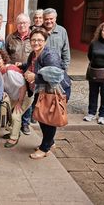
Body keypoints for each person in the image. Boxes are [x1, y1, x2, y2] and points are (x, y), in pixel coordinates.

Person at [23, 27, 71, 159]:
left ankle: (45, 148)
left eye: (39, 40)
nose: (36, 43)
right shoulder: (33, 54)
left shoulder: (49, 55)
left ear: (45, 41)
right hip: (43, 90)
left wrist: (35, 77)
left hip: (56, 91)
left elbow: (55, 76)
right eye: (33, 40)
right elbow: (30, 66)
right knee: (41, 116)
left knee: (48, 120)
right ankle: (50, 142)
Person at [0, 49, 33, 148]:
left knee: (15, 116)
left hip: (25, 96)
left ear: (3, 59)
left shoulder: (9, 70)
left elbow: (23, 86)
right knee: (5, 114)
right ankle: (15, 131)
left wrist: (19, 102)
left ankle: (14, 138)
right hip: (13, 96)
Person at [84, 22, 104, 125]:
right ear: (100, 31)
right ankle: (91, 113)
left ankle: (102, 115)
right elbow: (90, 56)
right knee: (93, 93)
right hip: (94, 72)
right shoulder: (94, 42)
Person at [5, 13, 33, 133]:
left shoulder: (34, 37)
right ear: (16, 24)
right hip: (14, 72)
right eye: (19, 23)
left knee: (28, 96)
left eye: (24, 23)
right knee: (15, 95)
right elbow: (5, 55)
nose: (22, 25)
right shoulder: (10, 37)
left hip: (29, 72)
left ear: (29, 24)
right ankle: (13, 120)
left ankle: (25, 123)